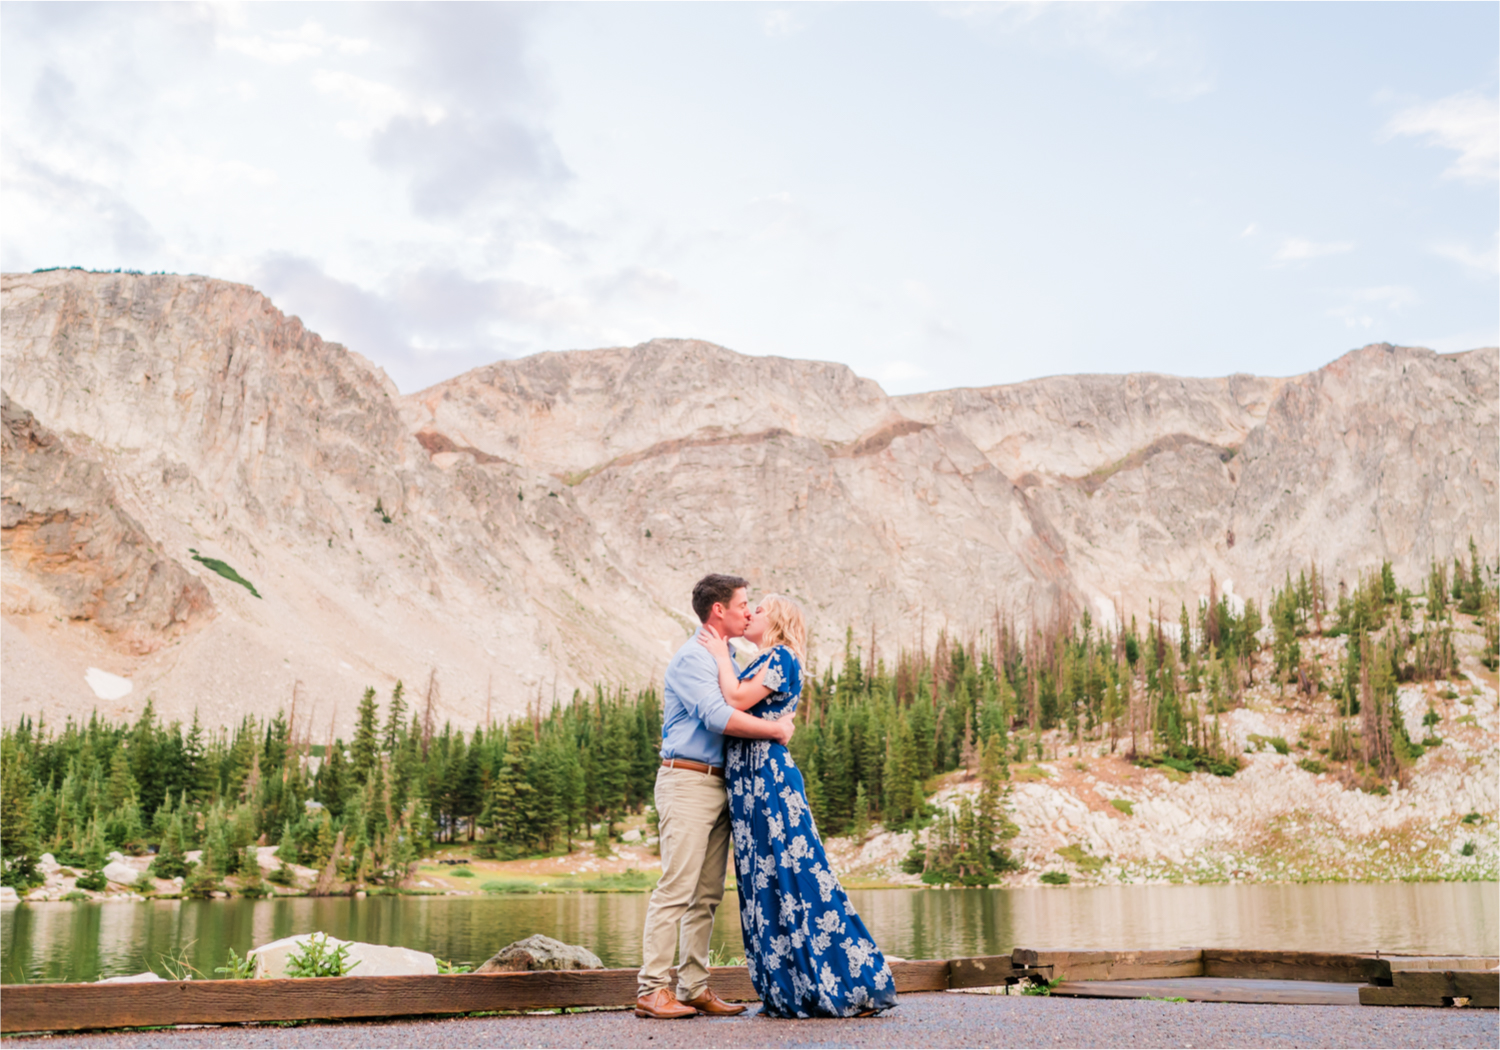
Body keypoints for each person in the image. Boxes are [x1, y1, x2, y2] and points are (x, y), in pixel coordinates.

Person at [698, 594, 897, 1018]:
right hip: (748, 783)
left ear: (778, 620)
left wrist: (717, 651)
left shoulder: (781, 657)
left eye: (760, 609)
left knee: (796, 874)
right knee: (764, 880)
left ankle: (847, 983)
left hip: (767, 780)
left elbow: (734, 700)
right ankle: (791, 987)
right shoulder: (764, 659)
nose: (750, 613)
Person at [635, 574, 798, 1020]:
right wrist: (777, 731)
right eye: (743, 604)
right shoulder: (693, 657)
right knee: (676, 888)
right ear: (718, 611)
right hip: (687, 780)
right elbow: (716, 716)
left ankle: (692, 987)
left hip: (719, 782)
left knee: (706, 894)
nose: (749, 611)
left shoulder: (726, 655)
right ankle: (652, 989)